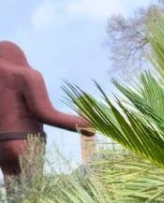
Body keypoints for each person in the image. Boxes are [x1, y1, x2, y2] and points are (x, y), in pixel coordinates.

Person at [0, 41, 94, 180]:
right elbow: (45, 113)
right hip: (26, 142)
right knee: (31, 194)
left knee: (15, 197)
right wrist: (90, 125)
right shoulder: (27, 75)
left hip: (3, 146)